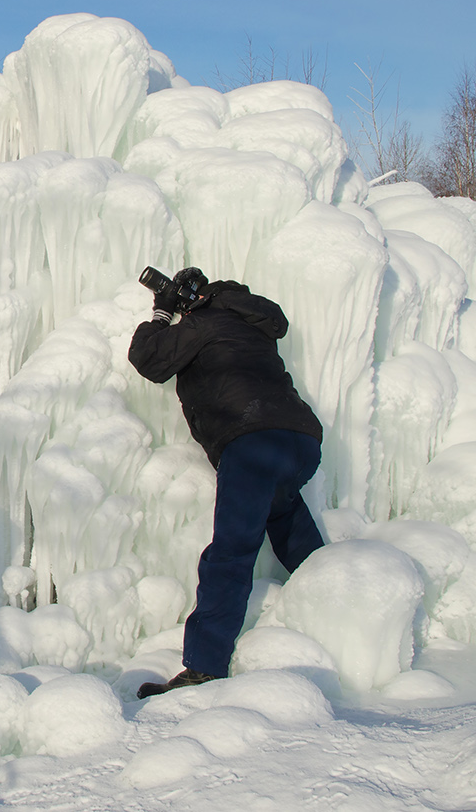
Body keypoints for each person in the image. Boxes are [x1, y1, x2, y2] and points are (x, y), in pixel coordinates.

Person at [127, 267, 325, 698]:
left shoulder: (205, 323)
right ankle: (340, 606)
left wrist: (162, 313)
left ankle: (206, 667)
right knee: (287, 520)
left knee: (230, 554)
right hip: (301, 441)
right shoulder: (252, 324)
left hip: (252, 440)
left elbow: (149, 359)